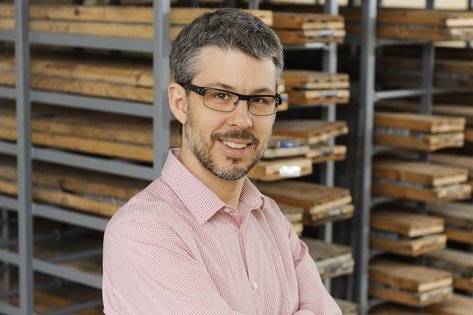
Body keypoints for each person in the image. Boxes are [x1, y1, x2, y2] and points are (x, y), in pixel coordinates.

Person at [102, 7, 342, 315]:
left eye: (260, 99)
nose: (242, 120)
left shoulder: (269, 218)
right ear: (180, 103)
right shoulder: (143, 231)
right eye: (220, 96)